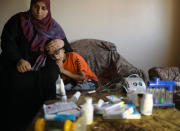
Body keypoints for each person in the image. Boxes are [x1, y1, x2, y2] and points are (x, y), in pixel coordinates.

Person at [0, 0, 72, 130]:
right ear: (31, 6)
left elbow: (68, 48)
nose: (39, 11)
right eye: (36, 7)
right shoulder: (18, 20)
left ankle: (47, 118)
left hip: (43, 63)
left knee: (52, 74)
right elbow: (6, 41)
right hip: (20, 62)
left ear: (48, 9)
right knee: (17, 79)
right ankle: (18, 124)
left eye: (44, 8)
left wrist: (61, 42)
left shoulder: (53, 26)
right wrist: (18, 59)